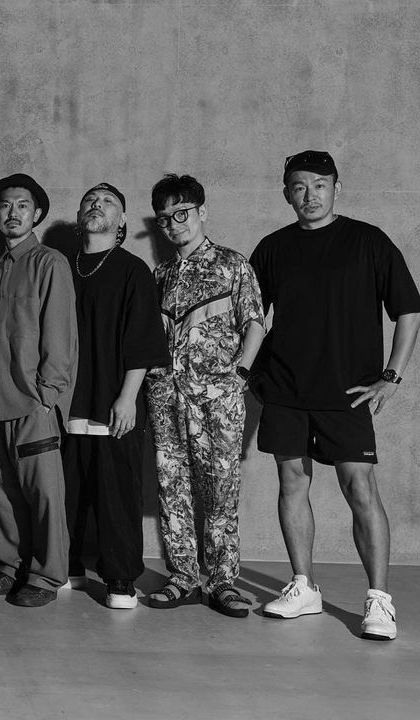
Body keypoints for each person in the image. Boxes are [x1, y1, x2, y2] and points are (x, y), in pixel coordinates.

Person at [250, 151, 420, 641]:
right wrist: (245, 371)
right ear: (287, 193)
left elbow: (408, 310)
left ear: (336, 189)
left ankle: (379, 600)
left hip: (346, 391)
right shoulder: (273, 248)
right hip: (285, 387)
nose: (310, 195)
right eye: (299, 186)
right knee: (291, 482)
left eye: (319, 185)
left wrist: (392, 376)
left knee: (359, 488)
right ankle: (303, 586)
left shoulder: (368, 241)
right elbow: (252, 316)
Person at [144, 174, 264, 617]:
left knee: (220, 489)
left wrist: (239, 375)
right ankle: (183, 577)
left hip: (217, 397)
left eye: (182, 214)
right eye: (165, 218)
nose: (174, 224)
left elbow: (254, 323)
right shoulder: (160, 275)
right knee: (172, 486)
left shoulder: (232, 264)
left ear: (202, 213)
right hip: (167, 397)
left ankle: (222, 581)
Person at [62, 182, 170, 609]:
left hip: (114, 400)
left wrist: (128, 397)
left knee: (117, 495)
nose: (97, 205)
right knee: (67, 492)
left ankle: (120, 579)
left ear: (122, 220)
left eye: (108, 202)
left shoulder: (132, 270)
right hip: (66, 400)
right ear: (79, 216)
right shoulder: (61, 266)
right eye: (90, 200)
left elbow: (142, 337)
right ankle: (66, 565)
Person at [0, 173, 78, 608]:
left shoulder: (49, 263)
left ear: (37, 214)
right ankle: (8, 568)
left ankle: (46, 576)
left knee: (45, 495)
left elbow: (61, 334)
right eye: (5, 205)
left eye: (22, 205)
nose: (12, 213)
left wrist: (48, 397)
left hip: (32, 402)